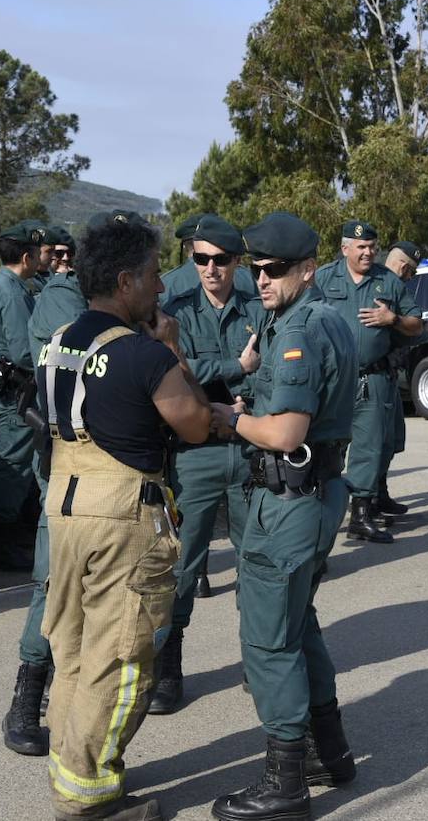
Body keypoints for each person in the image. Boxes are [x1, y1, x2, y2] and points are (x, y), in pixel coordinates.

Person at [39, 214, 212, 821]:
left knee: (74, 650)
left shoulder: (59, 340)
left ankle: (71, 770)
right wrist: (171, 348)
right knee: (120, 658)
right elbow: (191, 421)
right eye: (153, 275)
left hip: (65, 505)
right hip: (122, 515)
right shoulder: (142, 353)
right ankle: (88, 800)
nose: (162, 288)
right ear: (124, 281)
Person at [206, 211, 359, 821]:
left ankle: (285, 782)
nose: (260, 280)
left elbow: (287, 430)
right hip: (314, 493)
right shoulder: (321, 318)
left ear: (305, 269)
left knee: (269, 642)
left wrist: (230, 419)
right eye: (257, 269)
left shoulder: (300, 326)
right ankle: (331, 753)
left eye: (273, 270)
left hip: (288, 501)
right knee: (301, 626)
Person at [147, 215, 266, 716]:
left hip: (250, 446)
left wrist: (243, 397)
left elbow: (272, 368)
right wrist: (237, 370)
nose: (210, 269)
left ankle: (259, 661)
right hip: (194, 452)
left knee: (256, 560)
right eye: (200, 259)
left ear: (237, 262)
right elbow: (178, 371)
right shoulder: (173, 313)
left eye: (220, 260)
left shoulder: (258, 310)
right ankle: (168, 669)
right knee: (183, 565)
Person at [1, 215, 107, 756]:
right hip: (68, 459)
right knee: (51, 578)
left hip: (118, 468)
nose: (62, 262)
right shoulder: (63, 299)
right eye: (58, 253)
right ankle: (29, 692)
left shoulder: (107, 294)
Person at [315, 221, 422, 544]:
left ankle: (361, 515)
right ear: (345, 248)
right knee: (327, 448)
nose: (368, 252)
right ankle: (319, 519)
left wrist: (394, 320)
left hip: (372, 378)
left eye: (373, 247)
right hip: (332, 381)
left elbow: (417, 324)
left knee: (370, 447)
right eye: (361, 247)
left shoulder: (387, 281)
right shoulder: (323, 278)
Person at [0, 219, 48, 570]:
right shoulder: (12, 290)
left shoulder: (3, 285)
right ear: (26, 256)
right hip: (14, 388)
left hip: (6, 384)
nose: (41, 259)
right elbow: (24, 350)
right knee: (11, 462)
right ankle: (0, 542)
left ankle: (0, 535)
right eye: (38, 253)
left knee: (5, 456)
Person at [373, 239, 424, 522]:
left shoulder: (397, 288)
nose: (410, 278)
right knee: (372, 443)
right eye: (412, 272)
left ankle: (379, 493)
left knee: (390, 440)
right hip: (371, 374)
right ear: (404, 267)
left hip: (389, 373)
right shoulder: (377, 284)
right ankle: (364, 500)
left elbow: (414, 325)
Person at [162, 212, 257, 307]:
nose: (210, 270)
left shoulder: (166, 283)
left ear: (185, 246)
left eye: (221, 259)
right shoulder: (250, 277)